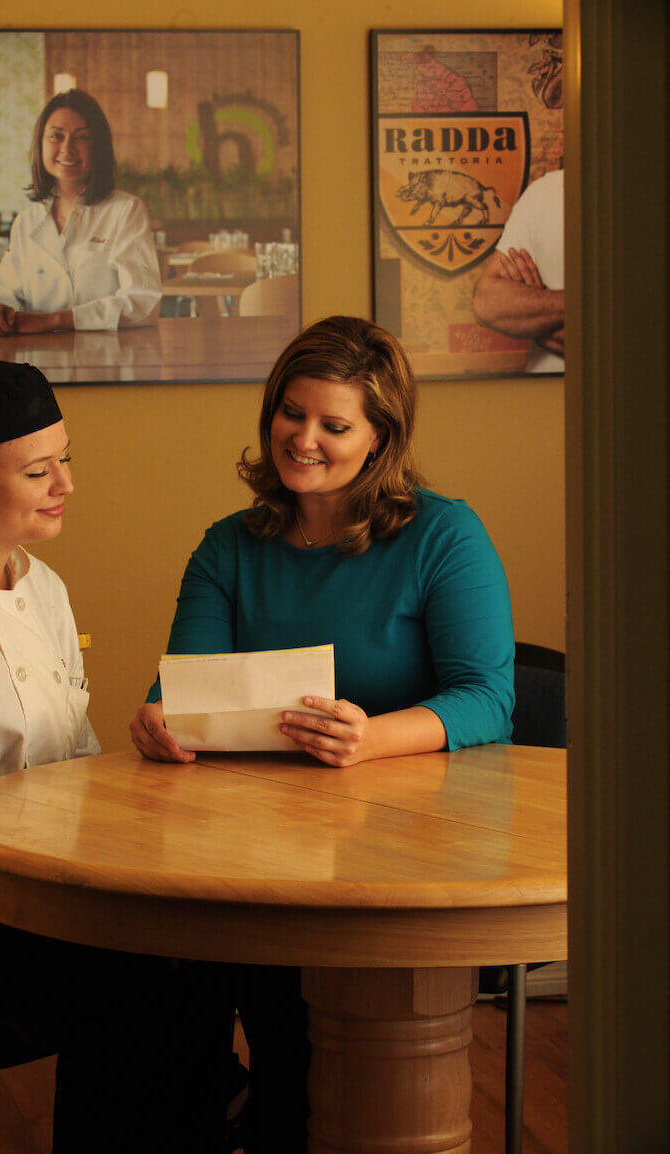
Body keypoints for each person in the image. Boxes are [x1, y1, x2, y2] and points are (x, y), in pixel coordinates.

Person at [129, 315, 515, 1152]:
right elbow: (180, 688)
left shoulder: (444, 536)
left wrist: (370, 738)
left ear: (380, 439)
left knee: (289, 1029)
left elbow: (488, 698)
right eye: (290, 413)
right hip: (250, 846)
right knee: (160, 991)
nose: (303, 439)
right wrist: (160, 719)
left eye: (335, 425)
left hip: (408, 852)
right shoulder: (230, 546)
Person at [0, 360, 230, 1153]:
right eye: (39, 469)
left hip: (43, 884)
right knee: (143, 975)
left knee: (208, 948)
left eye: (66, 459)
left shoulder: (41, 585)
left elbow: (70, 764)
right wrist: (69, 879)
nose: (67, 485)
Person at [0, 89, 161, 337]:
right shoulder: (26, 222)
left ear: (98, 148)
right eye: (56, 136)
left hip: (108, 360)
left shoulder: (125, 210)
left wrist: (56, 320)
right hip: (35, 363)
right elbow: (2, 294)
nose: (67, 148)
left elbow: (143, 303)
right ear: (40, 144)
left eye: (82, 138)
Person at [472, 167, 564, 373]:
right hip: (538, 397)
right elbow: (487, 304)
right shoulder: (543, 193)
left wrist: (537, 312)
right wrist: (593, 304)